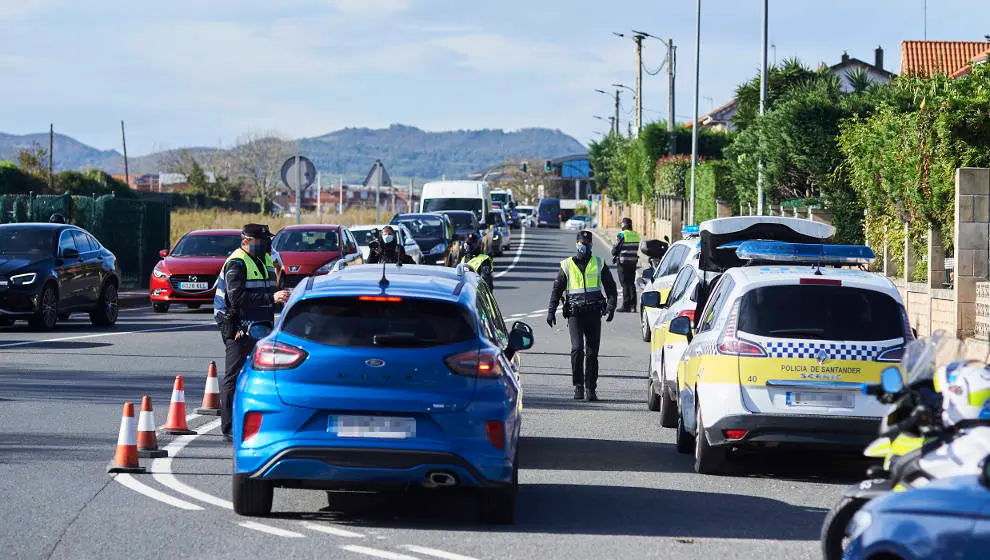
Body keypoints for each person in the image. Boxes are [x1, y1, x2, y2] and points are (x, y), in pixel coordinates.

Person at [213, 224, 292, 441]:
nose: (267, 245)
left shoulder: (264, 259)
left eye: (268, 241)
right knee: (234, 375)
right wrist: (271, 298)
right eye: (262, 241)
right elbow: (237, 299)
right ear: (246, 241)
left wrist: (282, 296)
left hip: (261, 326)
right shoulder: (236, 263)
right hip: (239, 327)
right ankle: (228, 428)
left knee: (260, 375)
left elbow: (265, 290)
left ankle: (258, 424)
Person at [547, 230, 618, 402]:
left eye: (586, 244)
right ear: (576, 245)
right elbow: (557, 289)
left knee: (592, 353)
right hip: (575, 314)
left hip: (594, 314)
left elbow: (611, 287)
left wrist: (611, 306)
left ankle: (590, 388)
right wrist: (551, 310)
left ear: (591, 245)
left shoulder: (599, 263)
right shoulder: (566, 265)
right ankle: (578, 386)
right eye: (581, 244)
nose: (583, 247)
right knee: (577, 349)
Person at [611, 217, 641, 313]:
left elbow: (615, 250)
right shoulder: (636, 235)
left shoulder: (621, 235)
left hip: (623, 263)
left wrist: (614, 252)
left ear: (623, 225)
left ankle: (626, 305)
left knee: (625, 284)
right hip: (633, 262)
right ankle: (633, 307)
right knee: (631, 283)